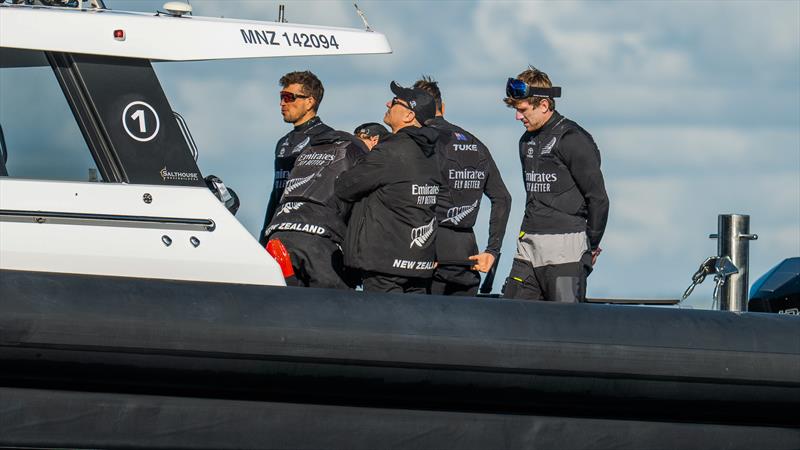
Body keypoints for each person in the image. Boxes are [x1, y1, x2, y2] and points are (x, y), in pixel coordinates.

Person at [502, 66, 609, 302]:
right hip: (528, 247)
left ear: (543, 105)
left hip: (566, 250)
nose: (518, 117)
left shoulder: (573, 139)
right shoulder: (525, 141)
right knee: (508, 317)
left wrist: (590, 245)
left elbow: (598, 199)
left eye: (522, 110)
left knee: (564, 326)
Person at [260, 70, 367, 288]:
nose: (282, 103)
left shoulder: (328, 139)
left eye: (289, 97)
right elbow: (277, 194)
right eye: (281, 97)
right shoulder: (283, 142)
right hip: (282, 228)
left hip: (316, 233)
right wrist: (264, 236)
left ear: (309, 102)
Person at [335, 81, 443, 293]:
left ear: (409, 116)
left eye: (395, 102)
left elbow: (344, 187)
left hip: (385, 265)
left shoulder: (389, 150)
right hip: (419, 263)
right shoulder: (431, 151)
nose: (388, 103)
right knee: (412, 326)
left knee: (382, 325)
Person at [413, 76, 511, 296]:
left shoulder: (422, 141)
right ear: (443, 107)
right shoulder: (476, 143)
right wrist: (492, 250)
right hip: (468, 254)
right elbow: (503, 198)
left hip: (430, 250)